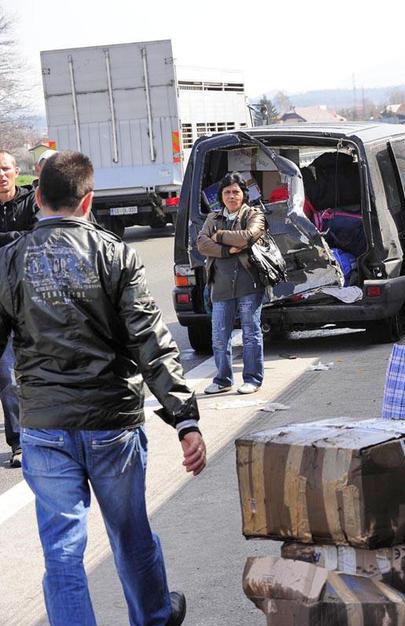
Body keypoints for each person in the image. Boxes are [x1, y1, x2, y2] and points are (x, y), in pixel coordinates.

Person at [0, 151, 203, 625]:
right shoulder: (114, 253)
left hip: (45, 426)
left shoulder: (10, 260)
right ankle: (154, 617)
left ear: (37, 199)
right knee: (130, 533)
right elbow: (151, 340)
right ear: (88, 200)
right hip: (112, 423)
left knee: (62, 551)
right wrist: (185, 419)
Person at [197, 171, 266, 395]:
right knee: (219, 337)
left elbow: (248, 236)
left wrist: (218, 236)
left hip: (249, 284)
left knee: (250, 334)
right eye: (227, 192)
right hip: (221, 286)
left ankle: (253, 379)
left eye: (236, 192)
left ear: (243, 194)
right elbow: (202, 244)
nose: (231, 196)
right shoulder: (212, 218)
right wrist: (228, 250)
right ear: (221, 196)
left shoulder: (254, 214)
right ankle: (223, 380)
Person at [0, 150, 39, 467]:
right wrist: (16, 239)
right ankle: (19, 442)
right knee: (7, 375)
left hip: (30, 302)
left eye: (5, 169)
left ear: (16, 171)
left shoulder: (32, 203)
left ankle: (38, 436)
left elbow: (37, 239)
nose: (1, 175)